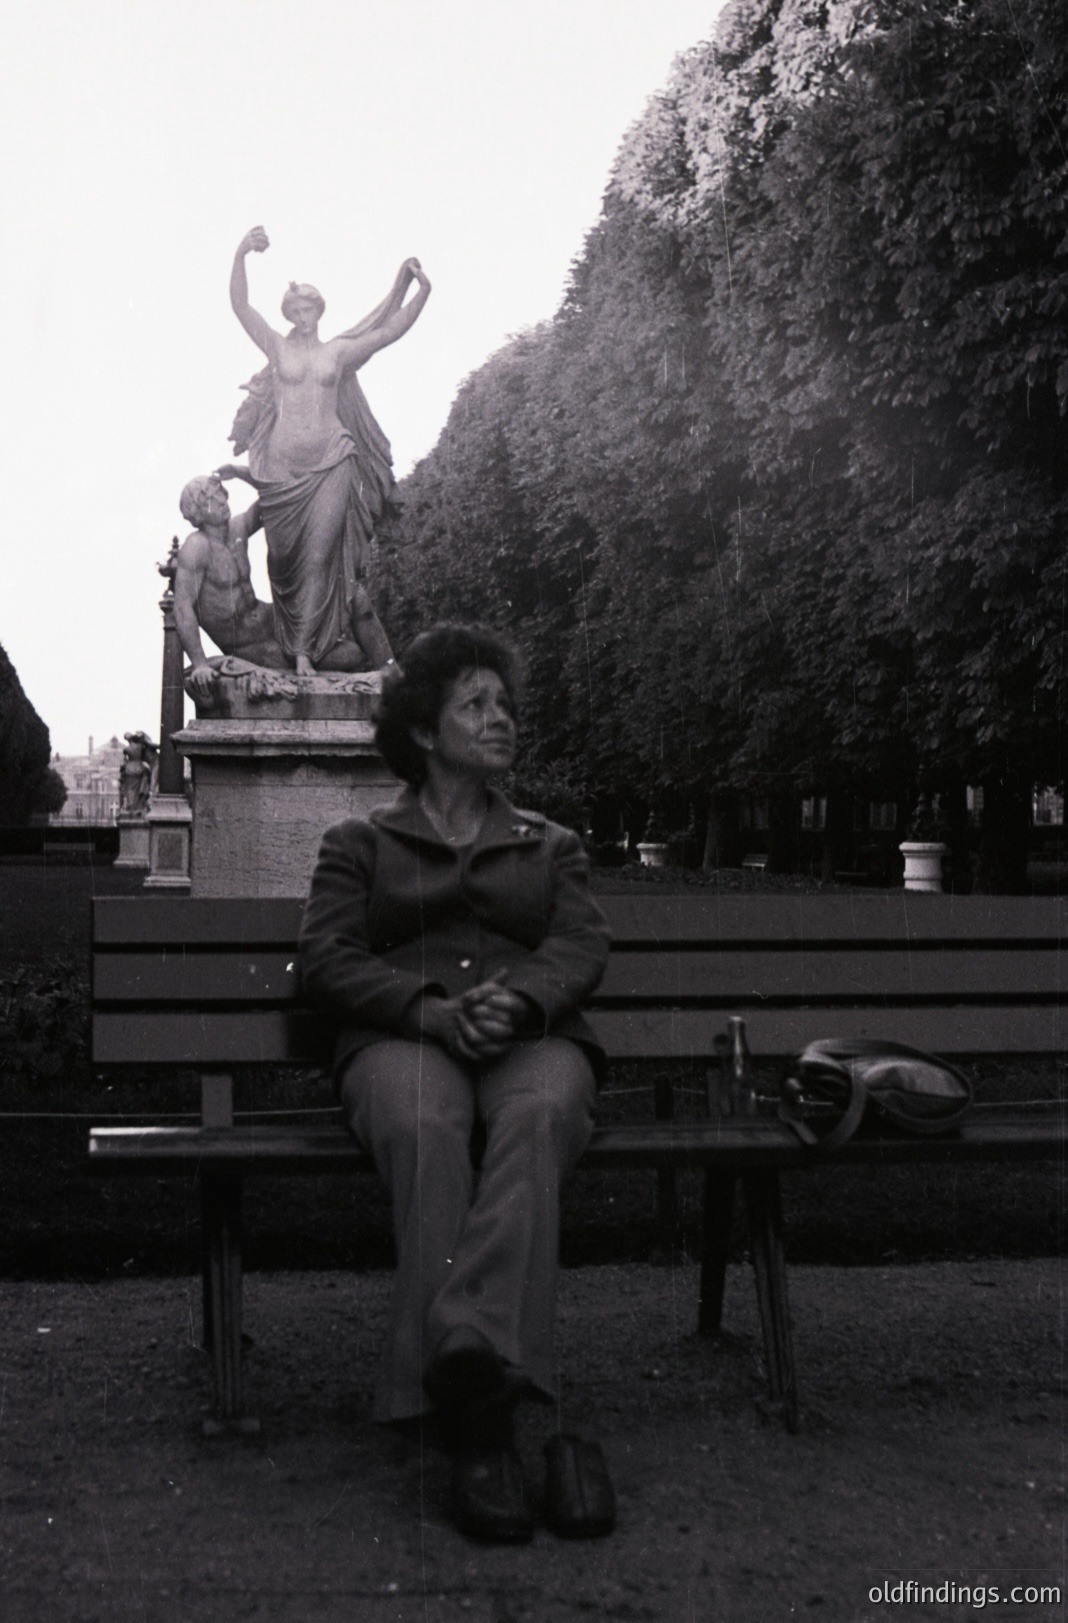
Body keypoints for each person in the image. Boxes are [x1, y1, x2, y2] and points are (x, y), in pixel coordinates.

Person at [299, 624, 616, 1543]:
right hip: (405, 1038)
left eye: (504, 704)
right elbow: (324, 956)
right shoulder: (358, 841)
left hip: (530, 1036)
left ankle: (463, 1397)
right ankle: (492, 1415)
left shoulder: (549, 843)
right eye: (475, 704)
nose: (500, 717)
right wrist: (427, 1008)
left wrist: (516, 1003)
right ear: (426, 733)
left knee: (540, 1113)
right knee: (422, 1123)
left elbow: (580, 944)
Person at [227, 226, 429, 674]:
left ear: (320, 310)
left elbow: (388, 331)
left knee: (320, 557)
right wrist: (241, 253)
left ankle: (303, 655)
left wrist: (421, 293)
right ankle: (302, 645)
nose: (303, 314)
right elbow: (241, 306)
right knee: (281, 562)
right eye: (295, 308)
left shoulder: (337, 353)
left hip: (333, 460)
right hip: (282, 474)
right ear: (288, 313)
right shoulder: (276, 347)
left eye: (309, 307)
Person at [173, 473, 394, 701]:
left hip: (277, 622)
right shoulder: (195, 548)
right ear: (197, 511)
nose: (221, 501)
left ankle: (392, 670)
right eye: (210, 499)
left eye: (220, 494)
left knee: (353, 595)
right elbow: (182, 607)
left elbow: (274, 496)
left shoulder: (237, 528)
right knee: (352, 654)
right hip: (254, 647)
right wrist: (199, 663)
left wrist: (242, 473)